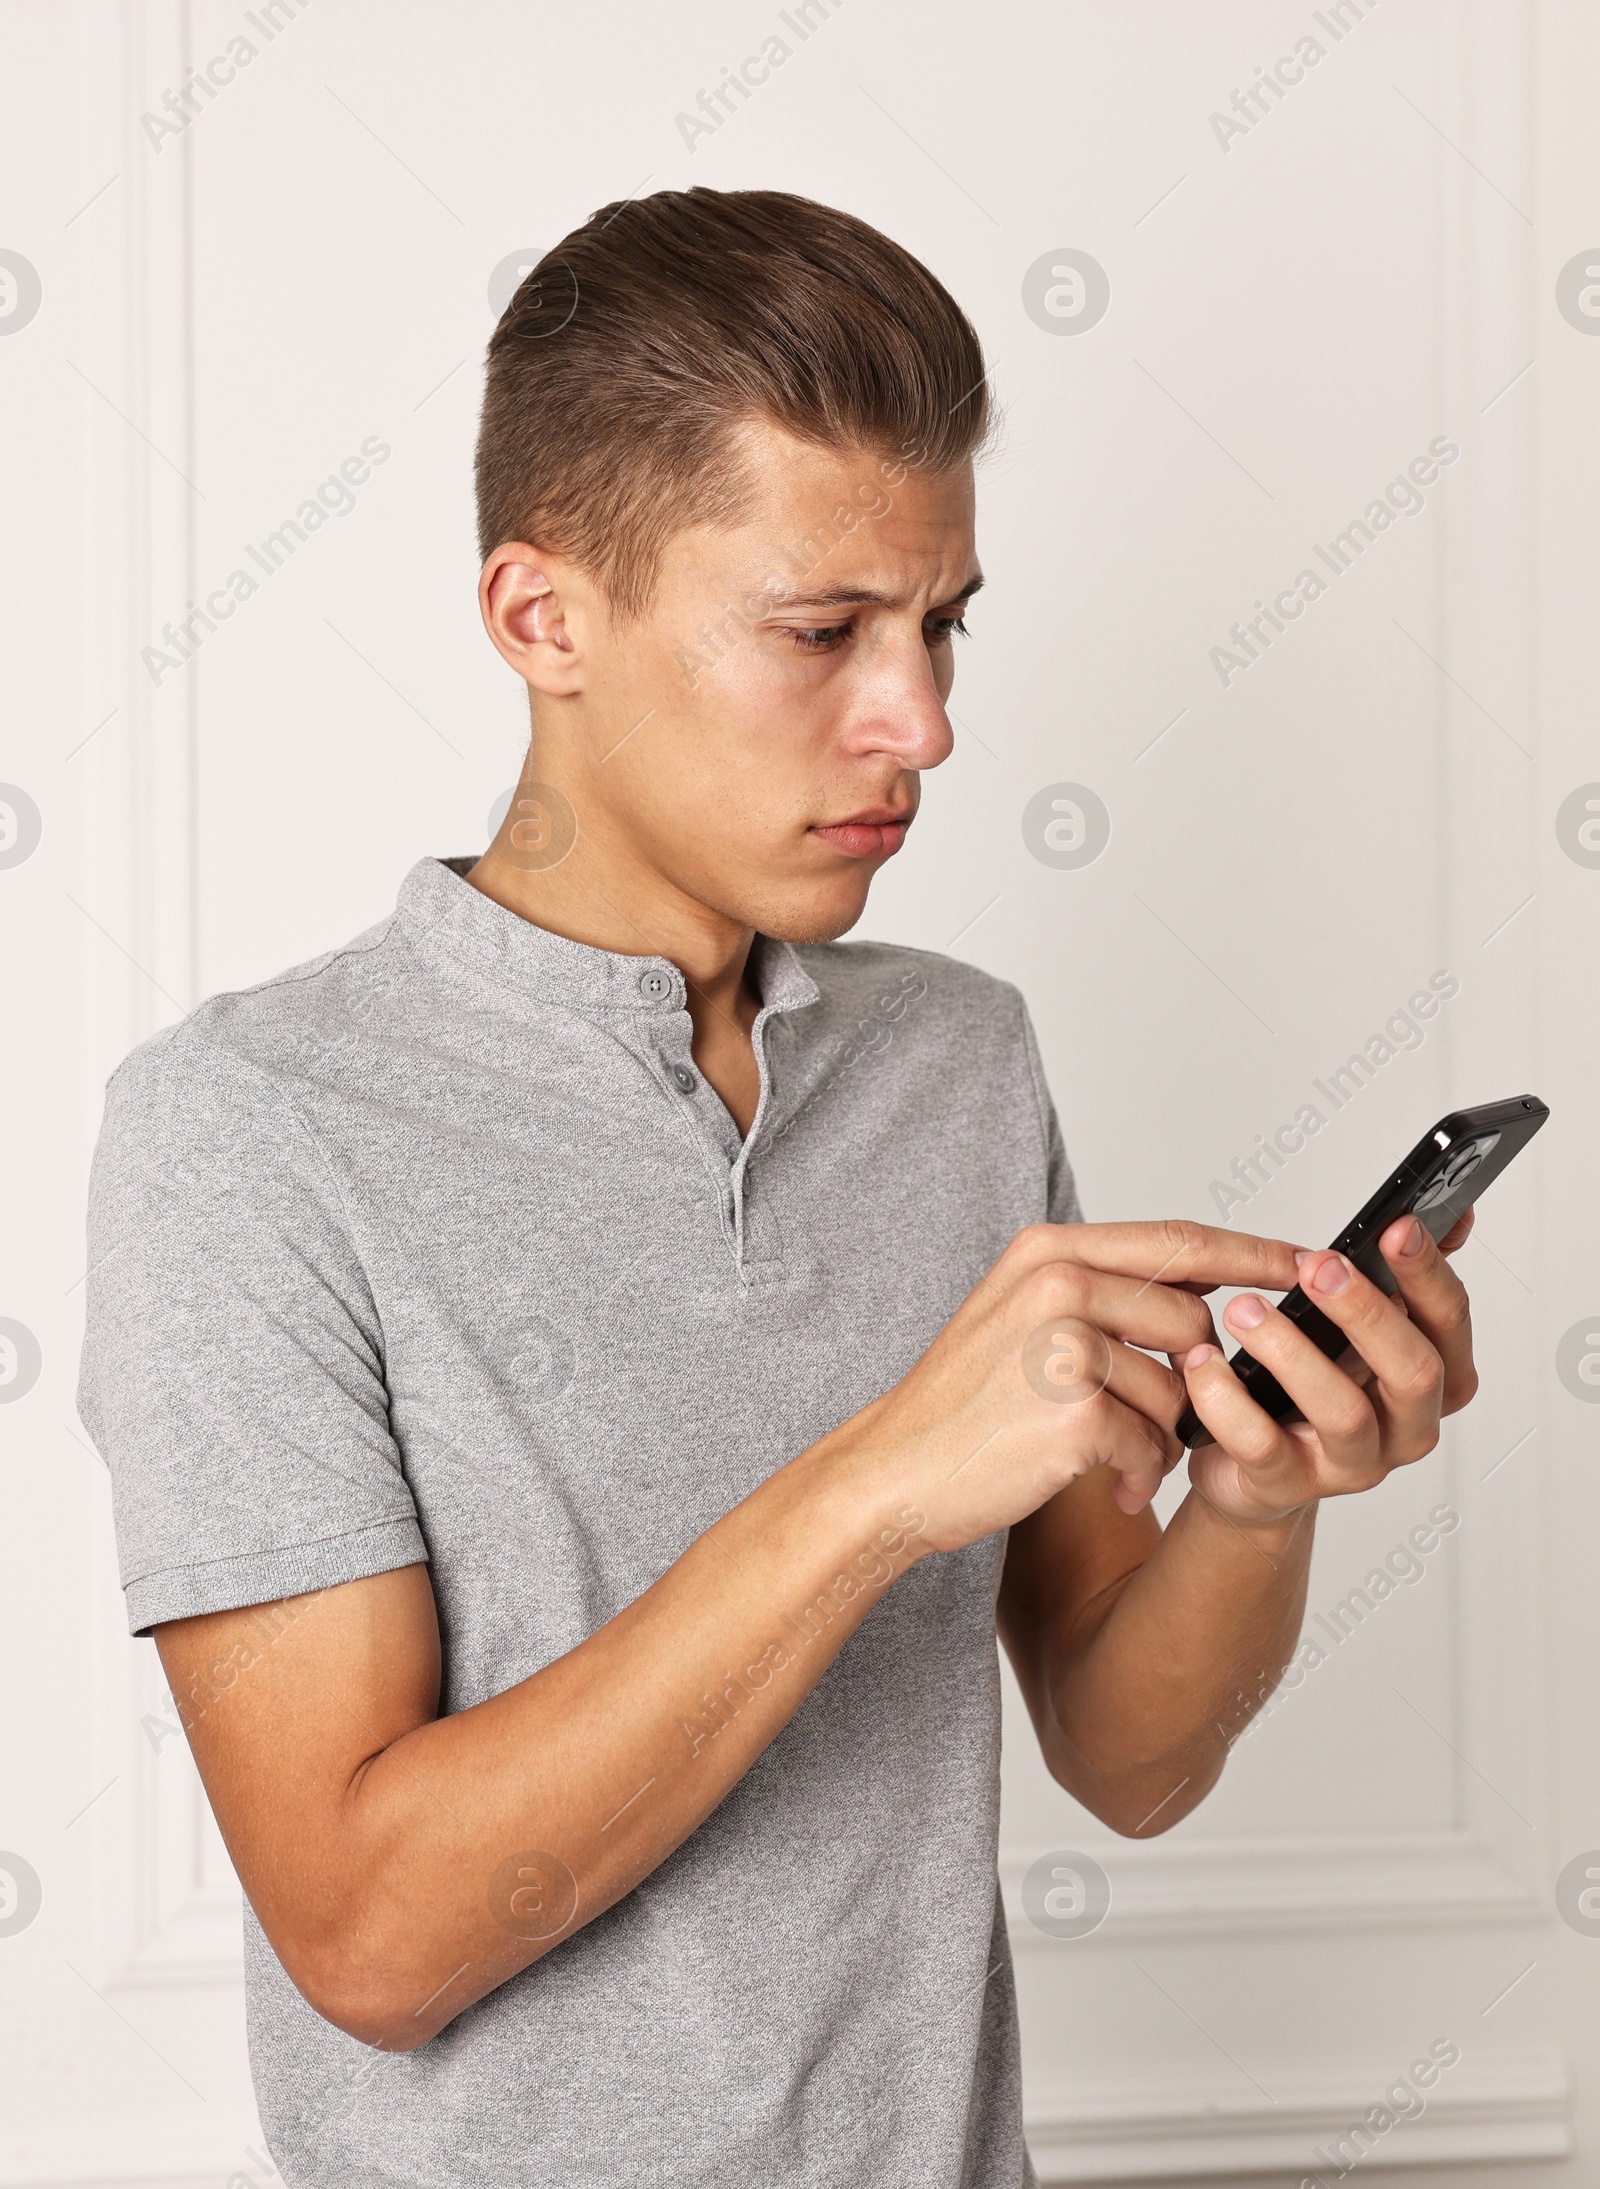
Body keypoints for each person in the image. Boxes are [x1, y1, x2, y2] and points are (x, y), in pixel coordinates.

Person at [78, 188, 1478, 2189]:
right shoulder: (245, 1130)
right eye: (820, 631)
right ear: (538, 617)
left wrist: (1254, 1499)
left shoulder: (955, 1056)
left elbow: (1124, 1750)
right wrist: (875, 1482)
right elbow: (368, 1938)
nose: (917, 723)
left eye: (937, 626)